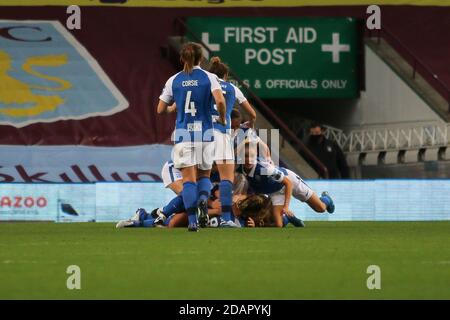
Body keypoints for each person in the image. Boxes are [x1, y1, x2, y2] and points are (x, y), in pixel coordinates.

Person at [156, 42, 227, 232]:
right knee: (204, 174)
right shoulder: (209, 77)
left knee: (188, 180)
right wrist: (221, 117)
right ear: (201, 58)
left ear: (182, 58)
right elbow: (220, 100)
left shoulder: (173, 80)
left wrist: (173, 107)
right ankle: (204, 200)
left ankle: (193, 221)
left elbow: (160, 109)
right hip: (205, 133)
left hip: (183, 134)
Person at [207, 56, 257, 228]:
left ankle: (196, 215)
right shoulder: (233, 89)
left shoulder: (205, 84)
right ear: (226, 75)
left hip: (200, 134)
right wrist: (251, 123)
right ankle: (226, 219)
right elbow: (252, 114)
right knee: (226, 177)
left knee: (199, 177)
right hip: (221, 134)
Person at [237, 141, 335, 227]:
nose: (249, 159)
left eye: (252, 156)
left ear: (255, 156)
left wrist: (286, 207)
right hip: (275, 192)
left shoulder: (265, 169)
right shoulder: (240, 168)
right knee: (278, 225)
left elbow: (288, 183)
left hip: (290, 181)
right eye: (246, 156)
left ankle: (326, 199)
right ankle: (288, 218)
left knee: (320, 208)